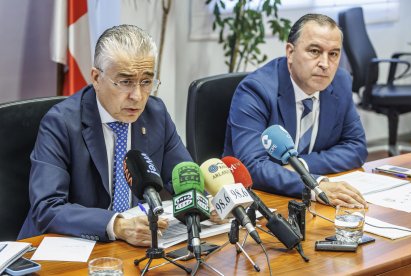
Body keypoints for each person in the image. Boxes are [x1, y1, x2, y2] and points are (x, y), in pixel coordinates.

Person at [18, 25, 192, 246]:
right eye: (126, 82)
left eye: (146, 82)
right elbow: (47, 208)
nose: (137, 96)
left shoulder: (156, 115)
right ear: (96, 78)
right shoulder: (60, 123)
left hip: (131, 248)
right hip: (65, 248)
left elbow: (183, 177)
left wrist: (201, 203)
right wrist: (116, 225)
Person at [223, 14, 368, 208]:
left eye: (333, 54)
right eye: (315, 51)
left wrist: (302, 166)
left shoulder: (340, 82)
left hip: (310, 204)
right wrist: (315, 185)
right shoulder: (255, 90)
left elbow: (356, 147)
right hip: (259, 203)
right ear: (290, 52)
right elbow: (253, 166)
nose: (325, 64)